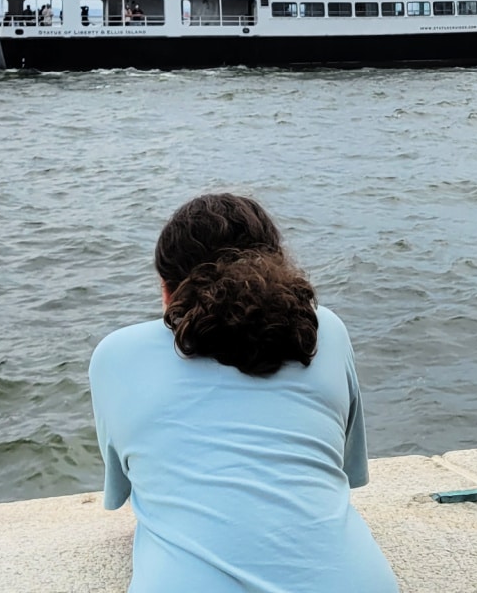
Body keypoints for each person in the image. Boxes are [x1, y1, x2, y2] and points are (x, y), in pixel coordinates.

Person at [89, 194, 397, 593]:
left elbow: (122, 490)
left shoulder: (116, 355)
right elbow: (347, 472)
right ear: (277, 267)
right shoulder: (326, 331)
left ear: (167, 292)